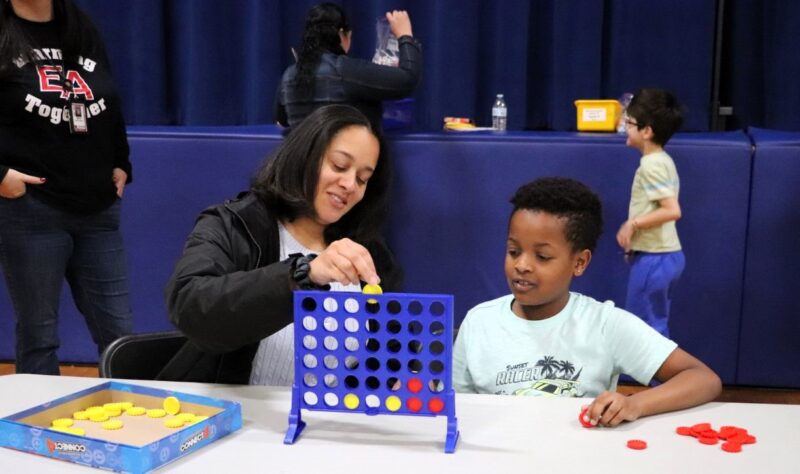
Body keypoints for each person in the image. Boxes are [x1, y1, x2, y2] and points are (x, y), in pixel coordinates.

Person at [162, 104, 402, 384]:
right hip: (232, 408)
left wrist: (401, 376)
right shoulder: (235, 224)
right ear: (304, 156)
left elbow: (390, 353)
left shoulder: (369, 251)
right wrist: (303, 275)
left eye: (362, 179)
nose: (350, 184)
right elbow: (190, 306)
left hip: (326, 413)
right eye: (339, 165)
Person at [453, 177, 721, 427]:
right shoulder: (478, 322)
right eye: (513, 251)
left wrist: (634, 404)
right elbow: (457, 406)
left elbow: (703, 378)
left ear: (580, 262)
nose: (521, 265)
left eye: (542, 257)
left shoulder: (605, 324)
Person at [0, 0, 133, 374]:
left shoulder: (80, 26)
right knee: (39, 334)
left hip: (99, 209)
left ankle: (128, 409)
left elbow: (108, 100)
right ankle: (38, 411)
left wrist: (121, 161)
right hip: (31, 211)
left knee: (120, 333)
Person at [275, 3, 422, 134]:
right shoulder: (345, 70)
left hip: (301, 156)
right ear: (341, 33)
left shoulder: (288, 75)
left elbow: (282, 121)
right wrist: (405, 35)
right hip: (346, 154)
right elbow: (407, 78)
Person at [616, 88, 685, 338]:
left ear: (647, 131)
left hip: (656, 259)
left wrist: (632, 224)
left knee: (643, 329)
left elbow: (671, 210)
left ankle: (654, 367)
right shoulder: (662, 160)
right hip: (660, 256)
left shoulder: (652, 165)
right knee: (654, 323)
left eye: (630, 123)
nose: (625, 127)